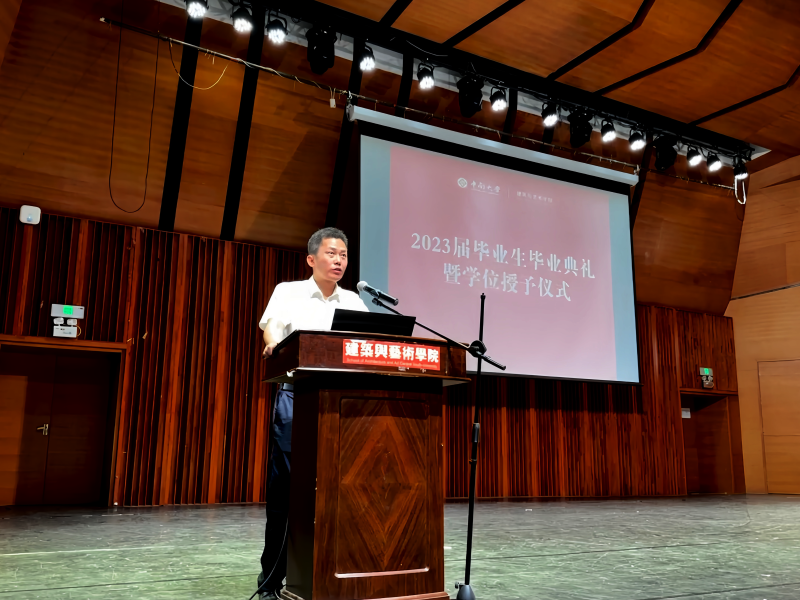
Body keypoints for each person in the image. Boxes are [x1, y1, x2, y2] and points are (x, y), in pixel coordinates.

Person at [256, 227, 368, 600]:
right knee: (286, 494)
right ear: (311, 259)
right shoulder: (288, 291)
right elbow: (271, 329)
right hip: (297, 398)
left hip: (342, 404)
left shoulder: (353, 300)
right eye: (332, 253)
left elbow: (368, 344)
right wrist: (273, 344)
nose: (339, 261)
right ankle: (272, 580)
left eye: (344, 255)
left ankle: (332, 574)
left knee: (340, 491)